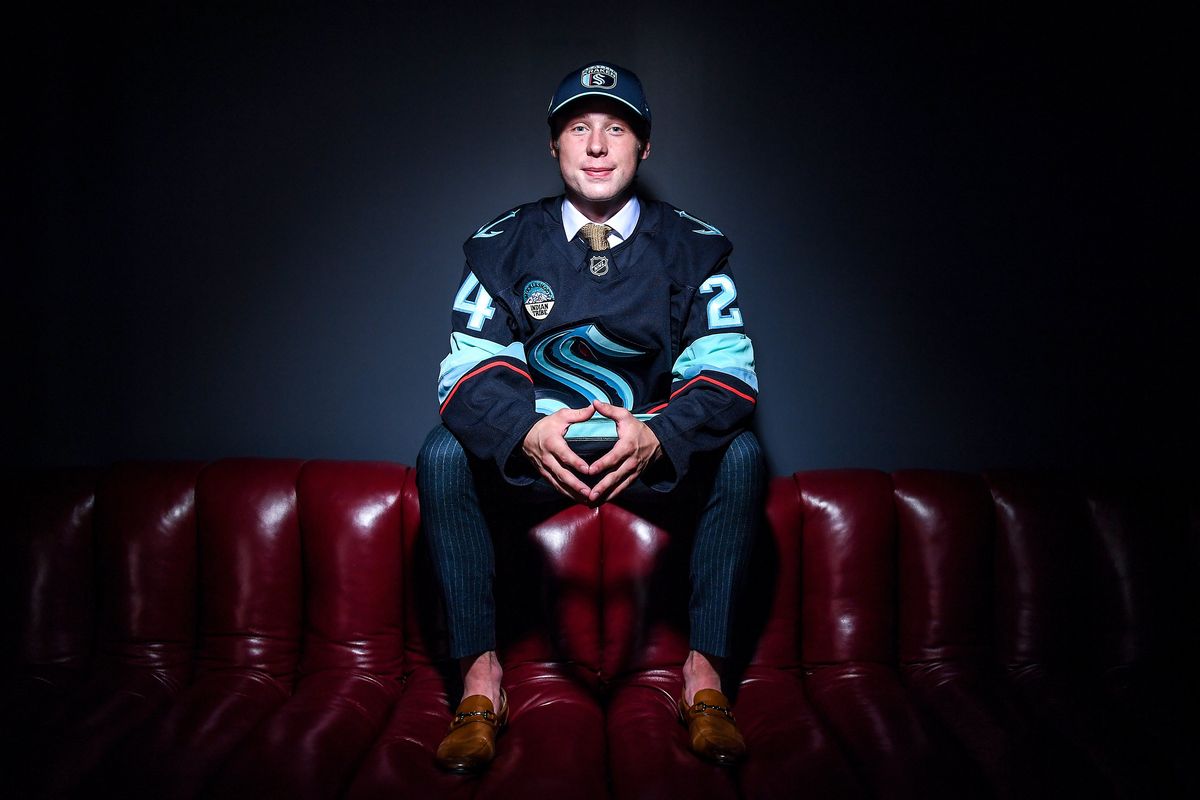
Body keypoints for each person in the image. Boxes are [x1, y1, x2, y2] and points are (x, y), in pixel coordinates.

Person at [418, 60, 764, 773]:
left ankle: (706, 682)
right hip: (542, 454)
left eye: (616, 128)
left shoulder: (696, 246)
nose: (598, 145)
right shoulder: (502, 242)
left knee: (744, 456)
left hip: (646, 452)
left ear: (645, 148)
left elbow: (730, 371)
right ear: (555, 145)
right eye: (580, 128)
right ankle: (481, 684)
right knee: (442, 454)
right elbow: (463, 368)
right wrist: (526, 429)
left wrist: (660, 433)